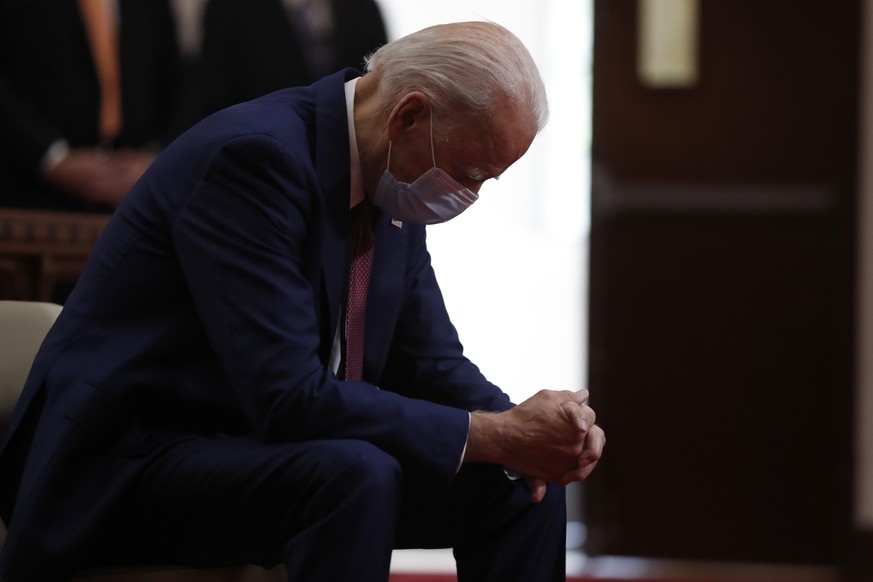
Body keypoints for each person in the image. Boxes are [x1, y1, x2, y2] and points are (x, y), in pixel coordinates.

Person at [0, 21, 605, 582]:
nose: (469, 195)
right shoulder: (254, 159)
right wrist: (497, 433)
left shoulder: (395, 180)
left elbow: (432, 365)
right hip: (125, 464)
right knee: (354, 473)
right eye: (470, 173)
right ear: (408, 117)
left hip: (250, 456)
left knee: (520, 483)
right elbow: (288, 400)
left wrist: (534, 434)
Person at [0, 0, 187, 212]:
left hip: (134, 200)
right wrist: (52, 158)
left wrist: (152, 160)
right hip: (28, 199)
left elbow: (176, 84)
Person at [177, 0, 388, 127]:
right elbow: (212, 94)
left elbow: (379, 84)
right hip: (260, 155)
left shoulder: (363, 8)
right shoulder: (232, 7)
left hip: (348, 162)